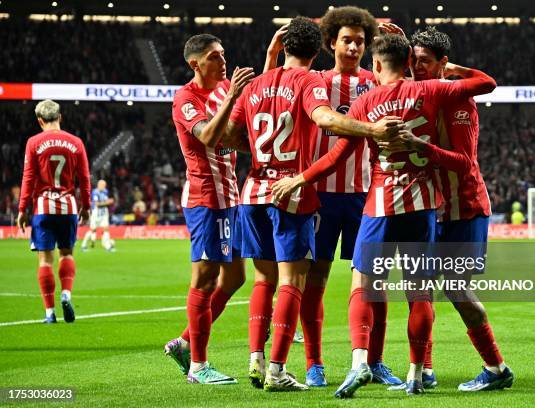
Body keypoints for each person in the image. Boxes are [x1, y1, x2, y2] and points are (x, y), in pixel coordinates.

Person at [271, 33, 497, 397]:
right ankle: (417, 372)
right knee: (419, 292)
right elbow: (486, 83)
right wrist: (447, 70)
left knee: (362, 284)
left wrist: (300, 177)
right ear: (408, 61)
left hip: (379, 202)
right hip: (423, 203)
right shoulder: (433, 92)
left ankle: (360, 362)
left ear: (375, 65)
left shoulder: (366, 101)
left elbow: (336, 157)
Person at [226, 16, 402, 392]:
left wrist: (404, 60)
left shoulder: (374, 82)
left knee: (375, 283)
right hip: (316, 192)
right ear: (330, 45)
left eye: (359, 41)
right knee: (312, 282)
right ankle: (314, 364)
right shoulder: (316, 81)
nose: (353, 47)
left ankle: (376, 360)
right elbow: (289, 98)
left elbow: (408, 99)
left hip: (365, 193)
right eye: (346, 40)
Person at [396, 26, 513, 392]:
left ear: (444, 64)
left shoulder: (459, 101)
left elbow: (463, 162)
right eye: (412, 61)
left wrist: (419, 145)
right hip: (430, 208)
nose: (416, 68)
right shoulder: (421, 94)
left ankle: (496, 368)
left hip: (463, 208)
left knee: (456, 289)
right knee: (418, 288)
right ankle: (424, 370)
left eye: (424, 62)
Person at [163, 33, 254, 385]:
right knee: (204, 278)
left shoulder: (225, 87)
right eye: (214, 56)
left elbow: (238, 133)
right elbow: (207, 136)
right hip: (205, 198)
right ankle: (198, 366)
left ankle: (184, 342)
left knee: (235, 277)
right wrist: (232, 97)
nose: (222, 60)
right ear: (195, 64)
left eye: (223, 54)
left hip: (230, 196)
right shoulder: (186, 97)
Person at [17, 99, 91, 324]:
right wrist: (86, 206)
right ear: (60, 117)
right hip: (68, 206)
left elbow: (28, 177)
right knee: (66, 254)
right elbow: (85, 179)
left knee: (45, 261)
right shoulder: (76, 142)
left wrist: (22, 209)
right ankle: (66, 293)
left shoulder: (33, 142)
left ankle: (49, 313)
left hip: (44, 207)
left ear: (40, 120)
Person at [81, 179, 115, 251]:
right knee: (93, 230)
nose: (104, 187)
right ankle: (83, 244)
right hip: (96, 214)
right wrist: (108, 202)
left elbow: (105, 200)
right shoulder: (95, 192)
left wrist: (107, 201)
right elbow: (97, 204)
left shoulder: (105, 191)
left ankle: (107, 246)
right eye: (103, 185)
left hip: (103, 214)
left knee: (106, 229)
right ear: (99, 185)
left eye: (105, 185)